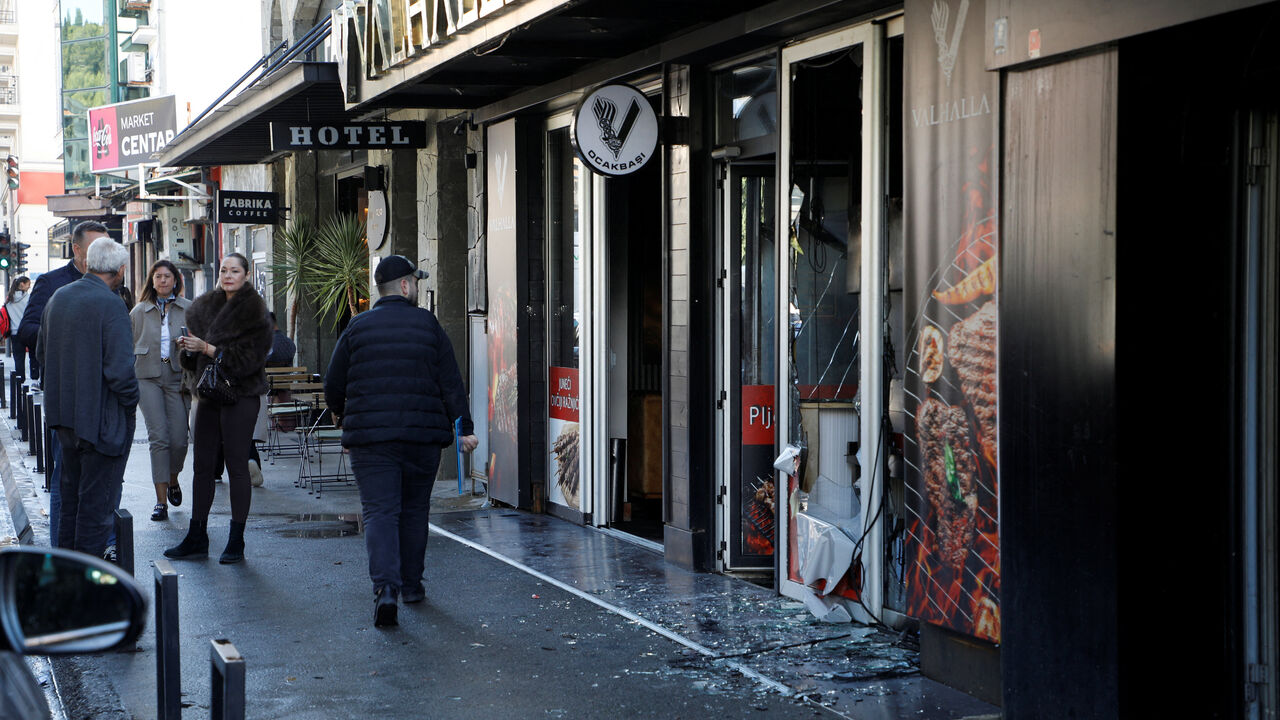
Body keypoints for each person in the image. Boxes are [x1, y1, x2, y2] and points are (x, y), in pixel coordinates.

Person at [324, 255, 478, 627]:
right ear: (406, 286)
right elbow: (451, 384)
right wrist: (464, 429)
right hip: (422, 439)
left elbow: (333, 383)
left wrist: (344, 414)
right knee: (413, 511)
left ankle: (385, 590)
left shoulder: (357, 327)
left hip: (371, 442)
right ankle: (411, 586)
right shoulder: (429, 325)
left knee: (380, 512)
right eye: (416, 282)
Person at [164, 253, 272, 564]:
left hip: (242, 394)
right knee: (202, 466)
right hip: (208, 392)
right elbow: (191, 361)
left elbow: (251, 361)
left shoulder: (256, 311)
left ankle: (236, 539)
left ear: (246, 275)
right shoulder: (202, 306)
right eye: (223, 269)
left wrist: (208, 348)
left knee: (237, 465)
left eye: (234, 271)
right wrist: (187, 349)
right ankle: (197, 534)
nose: (227, 275)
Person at [35, 237, 138, 559]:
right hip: (100, 422)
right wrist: (130, 401)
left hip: (65, 420)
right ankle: (88, 589)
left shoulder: (59, 298)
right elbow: (121, 371)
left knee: (71, 504)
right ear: (121, 270)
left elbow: (40, 352)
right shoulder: (111, 304)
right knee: (96, 509)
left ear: (89, 264)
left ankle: (68, 577)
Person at [21, 220, 110, 546]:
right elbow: (28, 330)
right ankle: (63, 554)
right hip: (68, 400)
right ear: (76, 249)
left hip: (106, 398)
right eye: (95, 248)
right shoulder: (52, 283)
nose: (102, 256)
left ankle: (104, 546)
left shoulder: (112, 283)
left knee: (106, 480)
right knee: (66, 479)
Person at [130, 260, 192, 522]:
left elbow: (200, 342)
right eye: (158, 276)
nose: (163, 280)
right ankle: (160, 501)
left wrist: (188, 345)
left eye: (167, 276)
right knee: (159, 438)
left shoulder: (188, 309)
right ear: (152, 281)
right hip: (147, 376)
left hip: (177, 375)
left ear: (176, 280)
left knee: (179, 439)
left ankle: (173, 478)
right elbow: (128, 344)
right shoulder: (139, 311)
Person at [5, 276, 30, 378]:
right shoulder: (28, 298)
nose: (29, 286)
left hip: (14, 332)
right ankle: (34, 378)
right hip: (26, 331)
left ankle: (20, 380)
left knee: (18, 358)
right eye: (28, 284)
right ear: (22, 284)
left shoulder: (9, 299)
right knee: (33, 355)